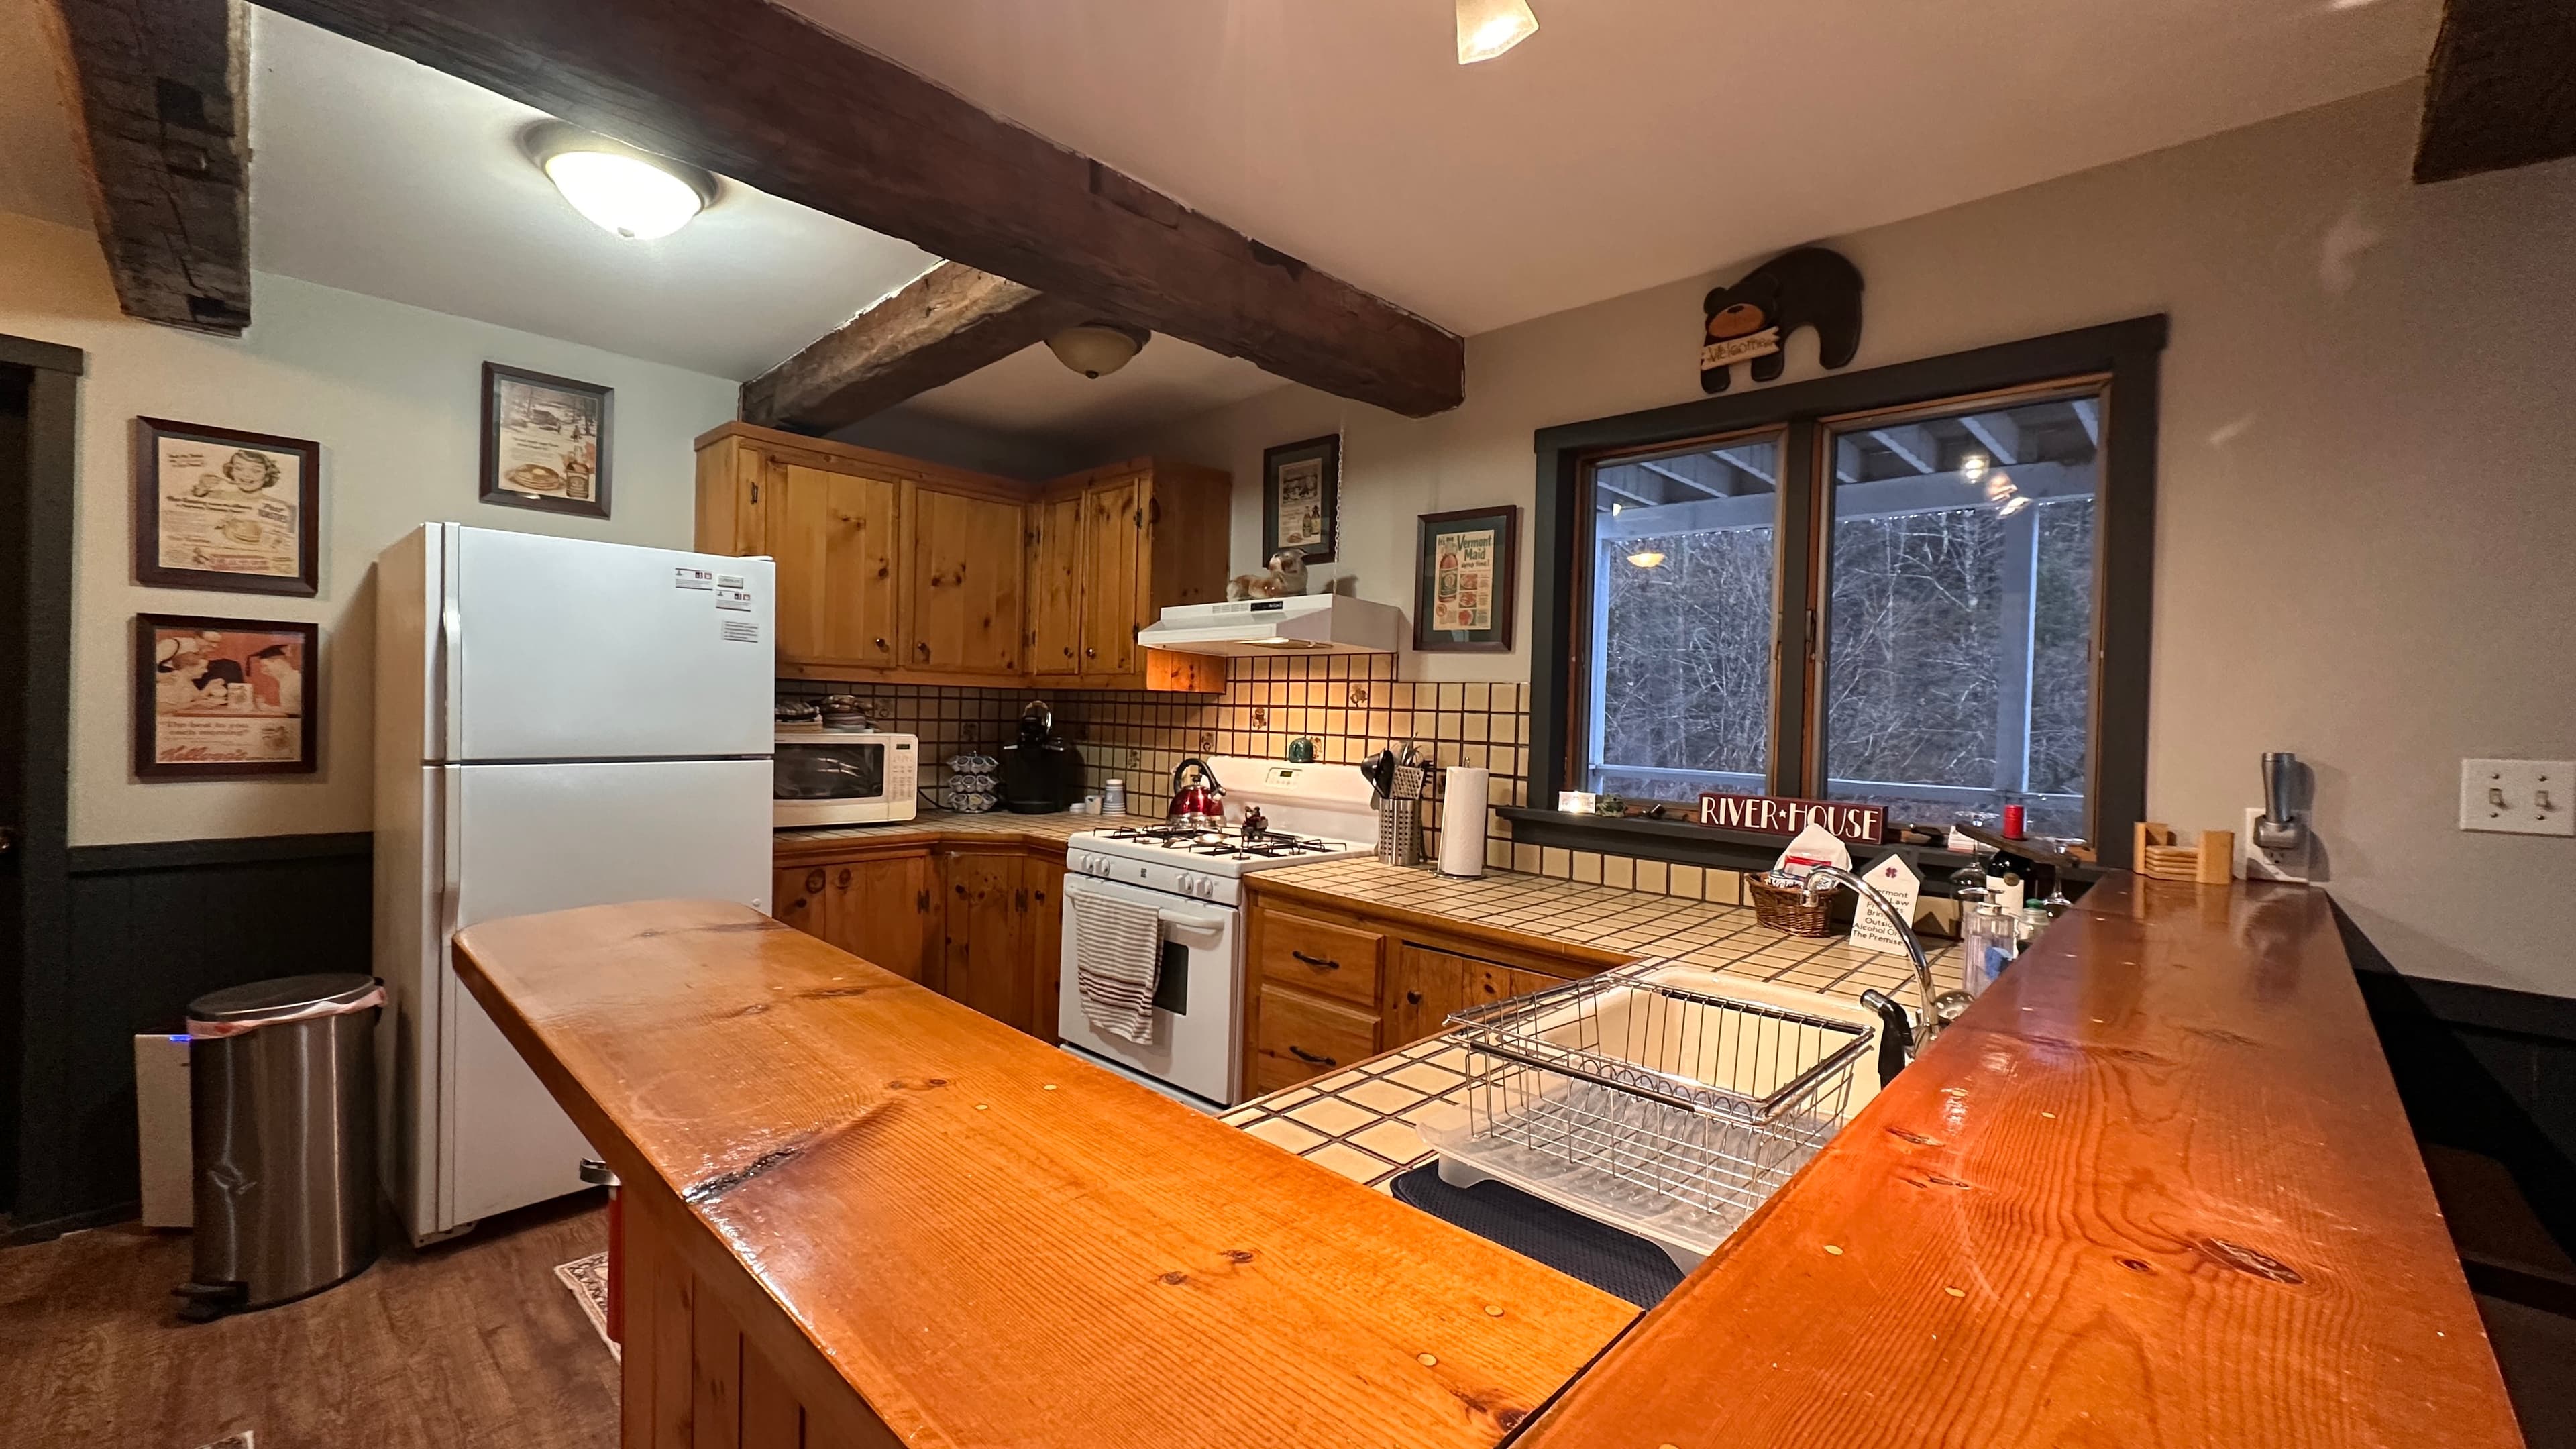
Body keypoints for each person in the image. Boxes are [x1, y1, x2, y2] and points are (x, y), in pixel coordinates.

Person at [251, 643, 301, 715]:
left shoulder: (296, 681)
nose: (263, 671)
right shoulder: (287, 681)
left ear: (279, 662)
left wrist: (268, 708)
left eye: (265, 666)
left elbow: (300, 710)